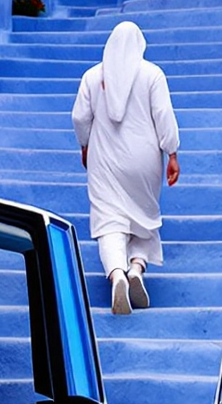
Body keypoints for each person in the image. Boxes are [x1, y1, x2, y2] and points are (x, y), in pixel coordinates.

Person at [72, 21, 180, 316]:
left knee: (110, 221)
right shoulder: (152, 74)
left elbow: (80, 117)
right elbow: (163, 115)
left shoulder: (93, 77)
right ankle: (136, 268)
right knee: (144, 217)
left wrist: (84, 145)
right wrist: (172, 152)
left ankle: (117, 274)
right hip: (144, 160)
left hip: (104, 160)